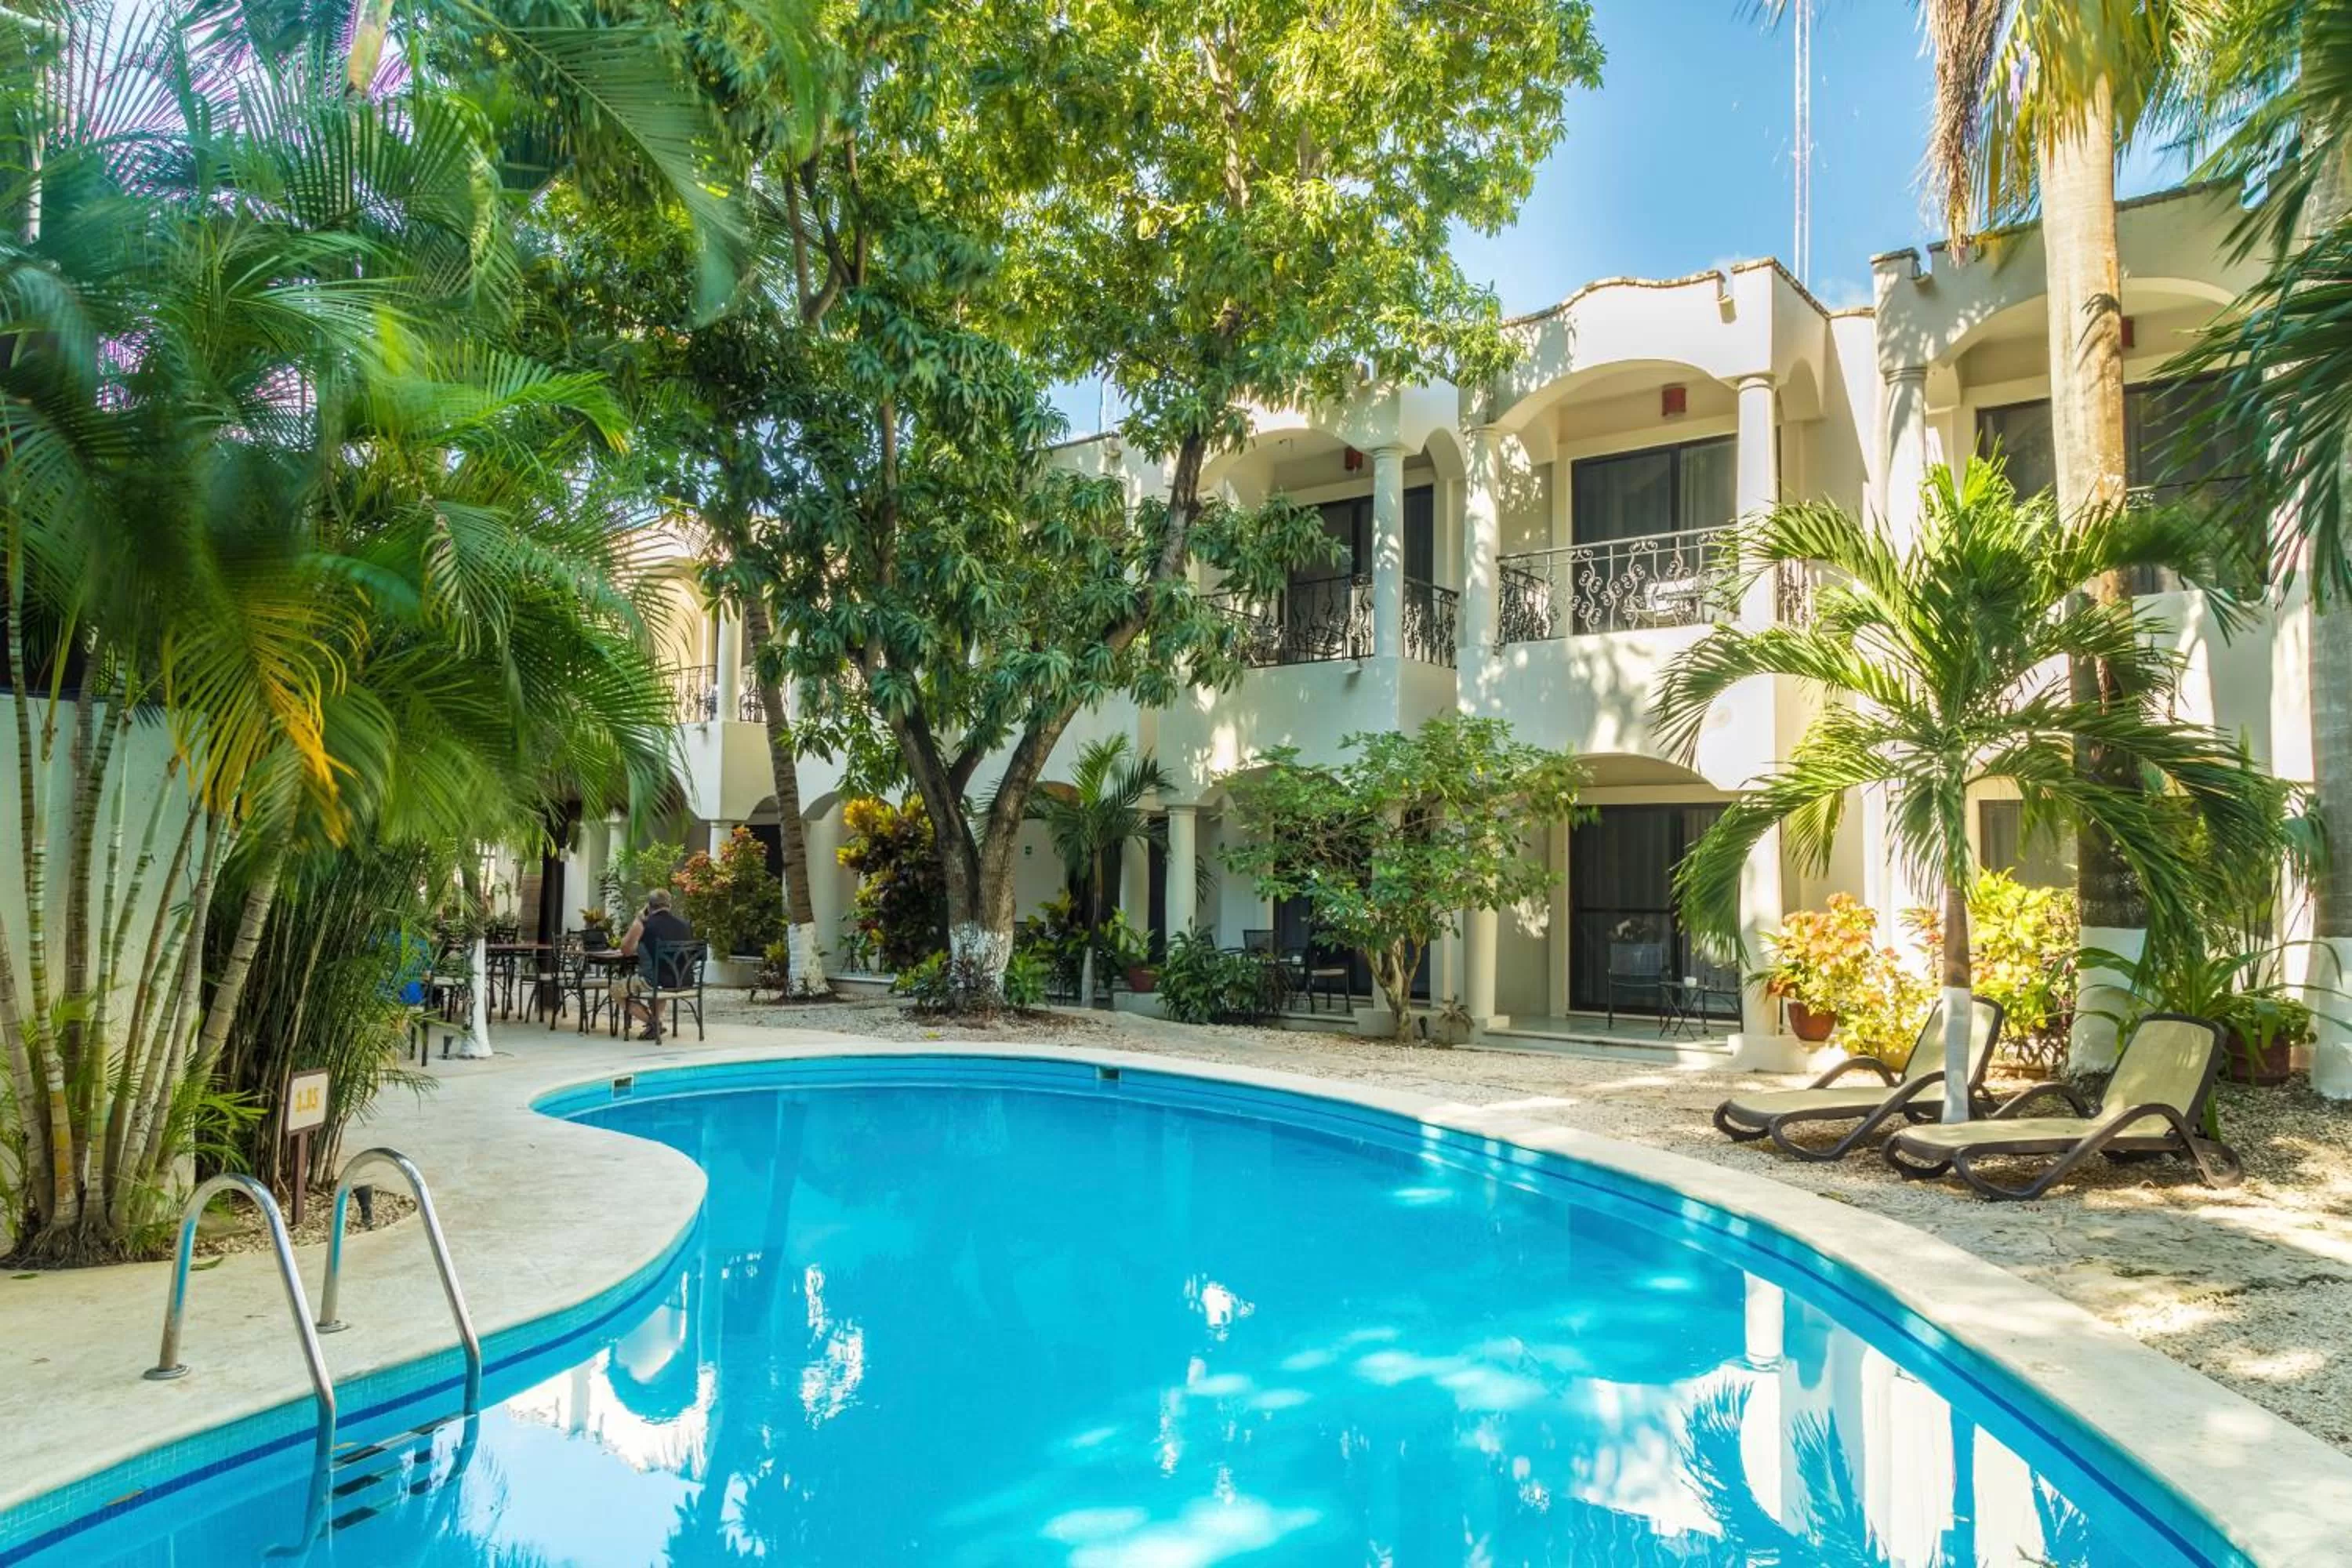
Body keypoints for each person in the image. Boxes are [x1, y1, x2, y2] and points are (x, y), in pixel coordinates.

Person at [616, 889, 694, 1040]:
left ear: (649, 906)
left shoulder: (644, 924)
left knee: (616, 990)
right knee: (658, 982)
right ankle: (655, 1026)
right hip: (683, 980)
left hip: (656, 981)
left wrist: (636, 921)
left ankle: (654, 1023)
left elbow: (625, 950)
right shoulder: (685, 925)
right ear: (669, 905)